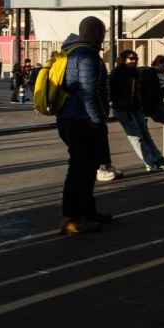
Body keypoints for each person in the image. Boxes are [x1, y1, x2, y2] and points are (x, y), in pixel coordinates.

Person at [57, 17, 115, 235]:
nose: (103, 37)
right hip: (82, 120)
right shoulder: (86, 54)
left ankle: (87, 212)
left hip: (69, 118)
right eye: (101, 32)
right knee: (80, 170)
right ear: (94, 33)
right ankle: (72, 218)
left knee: (86, 168)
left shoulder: (70, 52)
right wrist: (97, 120)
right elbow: (88, 92)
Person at [111, 50, 164, 172]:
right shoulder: (117, 73)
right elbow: (112, 92)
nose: (134, 60)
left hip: (136, 108)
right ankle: (149, 162)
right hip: (123, 109)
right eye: (131, 58)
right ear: (123, 60)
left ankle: (158, 159)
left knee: (145, 134)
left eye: (135, 58)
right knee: (136, 137)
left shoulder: (135, 73)